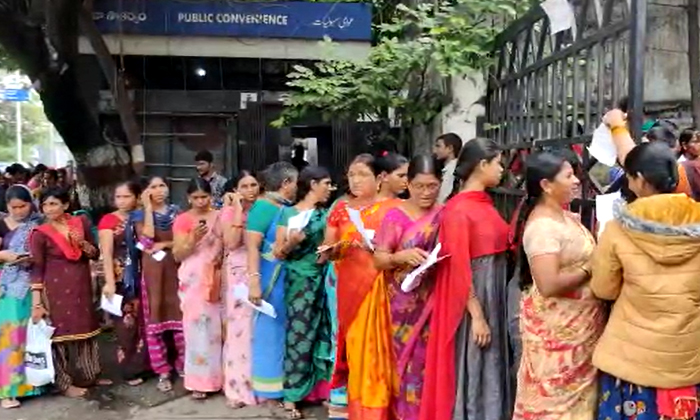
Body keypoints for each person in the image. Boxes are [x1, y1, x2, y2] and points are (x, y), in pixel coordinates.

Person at [591, 141, 700, 420]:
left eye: (629, 176)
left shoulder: (617, 229)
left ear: (639, 179)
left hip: (632, 358)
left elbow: (603, 288)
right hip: (688, 356)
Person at [419, 138, 510, 420]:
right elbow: (458, 265)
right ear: (482, 165)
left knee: (489, 364)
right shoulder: (458, 210)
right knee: (475, 364)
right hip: (474, 298)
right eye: (498, 164)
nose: (502, 170)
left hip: (492, 291)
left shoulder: (484, 203)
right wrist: (477, 314)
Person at [512, 152, 605, 420]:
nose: (577, 180)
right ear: (546, 185)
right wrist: (591, 266)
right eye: (569, 175)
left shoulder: (563, 217)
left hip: (579, 334)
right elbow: (549, 283)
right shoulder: (542, 227)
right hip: (558, 339)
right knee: (554, 407)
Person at [321, 153, 402, 420]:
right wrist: (330, 251)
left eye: (362, 174)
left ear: (379, 179)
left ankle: (388, 410)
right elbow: (328, 248)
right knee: (357, 351)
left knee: (386, 352)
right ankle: (361, 411)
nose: (355, 180)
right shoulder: (341, 209)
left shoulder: (396, 208)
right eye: (351, 174)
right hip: (349, 289)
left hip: (385, 289)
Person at [373, 155, 442, 420]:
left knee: (428, 365)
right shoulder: (395, 216)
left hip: (434, 301)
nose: (426, 193)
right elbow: (379, 259)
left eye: (432, 186)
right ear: (408, 184)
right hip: (400, 307)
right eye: (419, 186)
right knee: (403, 364)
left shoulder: (443, 213)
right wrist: (399, 257)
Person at [30, 187, 107, 398]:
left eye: (54, 203)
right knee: (59, 336)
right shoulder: (40, 233)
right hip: (55, 290)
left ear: (65, 205)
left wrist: (82, 243)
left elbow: (94, 253)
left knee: (87, 328)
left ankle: (91, 374)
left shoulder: (79, 223)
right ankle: (63, 383)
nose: (49, 208)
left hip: (81, 286)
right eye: (45, 204)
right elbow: (37, 268)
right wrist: (37, 303)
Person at [273, 166, 334, 418]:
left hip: (324, 277)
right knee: (299, 335)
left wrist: (328, 252)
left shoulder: (327, 214)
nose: (330, 189)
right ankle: (292, 396)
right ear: (312, 185)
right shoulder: (288, 214)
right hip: (299, 281)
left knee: (325, 331)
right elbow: (278, 252)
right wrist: (292, 242)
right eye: (326, 184)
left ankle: (321, 391)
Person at [246, 161, 299, 402]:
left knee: (284, 330)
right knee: (270, 330)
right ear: (286, 183)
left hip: (285, 277)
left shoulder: (284, 207)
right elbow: (252, 247)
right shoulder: (264, 208)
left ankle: (285, 383)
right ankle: (269, 386)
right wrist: (254, 281)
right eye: (296, 182)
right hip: (268, 277)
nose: (298, 187)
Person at [172, 178, 224, 400]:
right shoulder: (183, 220)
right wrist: (193, 238)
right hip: (193, 278)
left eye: (205, 196)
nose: (201, 201)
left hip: (218, 275)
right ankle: (199, 381)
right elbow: (177, 254)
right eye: (196, 197)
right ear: (188, 198)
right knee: (197, 330)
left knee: (221, 328)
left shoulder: (220, 216)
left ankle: (223, 378)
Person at [131, 175, 183, 392]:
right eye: (153, 187)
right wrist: (148, 208)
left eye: (162, 185)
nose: (159, 190)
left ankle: (183, 366)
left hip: (176, 267)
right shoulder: (139, 215)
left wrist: (165, 244)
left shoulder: (177, 212)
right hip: (153, 273)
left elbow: (184, 240)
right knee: (156, 321)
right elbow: (146, 240)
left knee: (181, 318)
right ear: (145, 192)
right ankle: (162, 371)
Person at [98, 181, 149, 386]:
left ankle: (146, 365)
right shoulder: (109, 221)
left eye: (126, 196)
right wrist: (110, 282)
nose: (121, 201)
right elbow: (107, 254)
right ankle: (129, 369)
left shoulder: (142, 218)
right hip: (121, 278)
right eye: (118, 197)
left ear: (137, 197)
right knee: (126, 325)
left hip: (143, 273)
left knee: (144, 321)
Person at [0, 185, 43, 409]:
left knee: (31, 335)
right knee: (10, 338)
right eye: (13, 207)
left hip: (33, 286)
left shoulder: (38, 224)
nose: (18, 211)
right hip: (7, 288)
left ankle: (35, 384)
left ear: (31, 203)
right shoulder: (1, 224)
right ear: (6, 206)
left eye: (22, 206)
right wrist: (3, 255)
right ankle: (8, 391)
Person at [221, 170, 260, 407]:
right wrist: (237, 208)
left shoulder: (263, 208)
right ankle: (236, 388)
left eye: (254, 184)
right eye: (244, 186)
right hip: (238, 273)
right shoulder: (228, 212)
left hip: (260, 270)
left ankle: (260, 385)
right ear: (236, 189)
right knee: (239, 331)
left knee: (258, 329)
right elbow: (231, 242)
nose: (250, 190)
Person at [432, 133, 463, 203]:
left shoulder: (451, 170)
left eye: (438, 146)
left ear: (450, 148)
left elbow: (443, 197)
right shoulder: (450, 168)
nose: (435, 151)